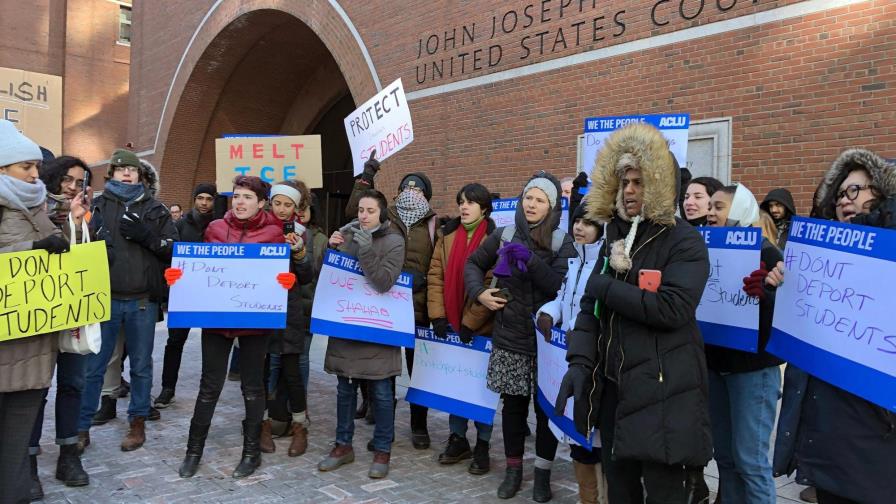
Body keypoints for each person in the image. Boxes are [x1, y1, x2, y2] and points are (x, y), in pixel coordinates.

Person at [556, 123, 712, 503]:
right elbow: (590, 309)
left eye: (639, 182)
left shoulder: (685, 241)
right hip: (615, 392)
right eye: (624, 182)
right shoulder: (614, 236)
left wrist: (606, 286)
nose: (629, 191)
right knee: (620, 492)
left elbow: (673, 308)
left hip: (664, 394)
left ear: (660, 184)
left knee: (663, 495)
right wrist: (579, 362)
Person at [769, 149, 896, 504]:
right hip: (826, 434)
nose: (844, 200)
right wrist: (778, 291)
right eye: (839, 194)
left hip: (877, 440)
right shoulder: (820, 263)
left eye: (856, 190)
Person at [466, 172, 576, 501]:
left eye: (540, 200)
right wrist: (480, 293)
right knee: (513, 408)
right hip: (510, 337)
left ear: (551, 206)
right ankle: (513, 470)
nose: (532, 204)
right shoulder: (503, 235)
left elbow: (560, 287)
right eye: (528, 197)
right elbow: (473, 264)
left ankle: (542, 474)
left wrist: (531, 260)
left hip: (546, 343)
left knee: (545, 412)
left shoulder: (561, 241)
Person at [177, 175, 289, 479]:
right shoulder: (214, 228)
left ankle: (251, 453)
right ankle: (193, 451)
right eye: (237, 196)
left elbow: (279, 276)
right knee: (209, 385)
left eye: (248, 197)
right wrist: (179, 278)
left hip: (254, 322)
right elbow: (200, 271)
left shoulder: (273, 233)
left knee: (252, 387)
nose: (240, 202)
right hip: (217, 320)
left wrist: (284, 281)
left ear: (261, 203)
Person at [0, 120, 84, 503]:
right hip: (6, 343)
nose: (36, 174)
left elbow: (58, 257)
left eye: (36, 166)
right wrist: (31, 250)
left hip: (34, 345)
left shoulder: (38, 205)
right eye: (26, 167)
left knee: (16, 444)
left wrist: (72, 234)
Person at [78, 148, 178, 453]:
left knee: (141, 365)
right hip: (105, 299)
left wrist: (147, 236)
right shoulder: (96, 206)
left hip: (142, 301)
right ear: (111, 174)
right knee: (94, 367)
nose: (126, 173)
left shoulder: (156, 210)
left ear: (140, 175)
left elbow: (174, 250)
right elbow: (77, 244)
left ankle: (137, 421)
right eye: (120, 169)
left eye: (131, 169)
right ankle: (81, 428)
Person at [348, 154, 437, 449]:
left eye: (418, 189)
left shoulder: (434, 224)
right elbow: (356, 210)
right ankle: (381, 417)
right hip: (385, 303)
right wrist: (367, 176)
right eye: (407, 188)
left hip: (418, 308)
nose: (412, 193)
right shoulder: (386, 218)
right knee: (382, 367)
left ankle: (418, 424)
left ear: (426, 195)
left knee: (418, 370)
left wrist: (425, 281)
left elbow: (438, 263)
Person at [318, 189, 406, 479]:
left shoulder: (394, 241)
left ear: (382, 213)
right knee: (345, 390)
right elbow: (327, 279)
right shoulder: (348, 235)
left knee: (381, 392)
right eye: (360, 210)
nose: (364, 216)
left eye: (370, 211)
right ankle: (343, 445)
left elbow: (384, 282)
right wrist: (331, 250)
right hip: (346, 325)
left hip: (377, 328)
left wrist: (366, 249)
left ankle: (382, 449)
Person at [705, 183, 783, 503]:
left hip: (753, 372)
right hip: (716, 367)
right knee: (724, 458)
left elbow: (789, 314)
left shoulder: (767, 253)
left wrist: (769, 294)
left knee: (751, 462)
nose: (710, 213)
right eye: (709, 206)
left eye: (718, 207)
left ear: (739, 210)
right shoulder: (704, 249)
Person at [25, 155, 93, 493]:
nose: (72, 187)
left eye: (79, 182)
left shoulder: (86, 214)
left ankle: (69, 454)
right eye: (67, 179)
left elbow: (90, 256)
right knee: (35, 388)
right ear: (52, 177)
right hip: (36, 314)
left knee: (73, 383)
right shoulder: (30, 209)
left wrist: (79, 224)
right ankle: (27, 461)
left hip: (72, 311)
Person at [536, 202, 608, 504]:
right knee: (577, 437)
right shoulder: (575, 260)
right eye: (577, 221)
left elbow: (596, 311)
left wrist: (576, 329)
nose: (579, 227)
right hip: (568, 358)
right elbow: (563, 297)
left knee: (596, 439)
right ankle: (587, 499)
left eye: (588, 223)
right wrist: (548, 313)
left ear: (602, 229)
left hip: (594, 361)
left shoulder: (605, 264)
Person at [427, 183, 496, 474]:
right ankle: (458, 439)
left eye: (470, 202)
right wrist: (438, 316)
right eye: (461, 202)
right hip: (451, 323)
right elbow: (436, 277)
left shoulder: (495, 238)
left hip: (482, 328)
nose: (464, 207)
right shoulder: (447, 236)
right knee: (455, 384)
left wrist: (471, 322)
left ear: (484, 208)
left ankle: (483, 445)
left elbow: (493, 283)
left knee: (480, 388)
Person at [259, 180, 313, 457]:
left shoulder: (300, 234)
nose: (281, 209)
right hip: (262, 308)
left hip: (290, 311)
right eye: (277, 203)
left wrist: (299, 254)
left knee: (292, 371)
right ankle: (263, 423)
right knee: (263, 370)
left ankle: (300, 425)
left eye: (287, 205)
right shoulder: (260, 229)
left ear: (296, 207)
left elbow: (306, 276)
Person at [154, 182, 217, 409]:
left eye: (209, 199)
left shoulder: (220, 226)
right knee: (175, 342)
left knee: (213, 345)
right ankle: (167, 388)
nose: (204, 203)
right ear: (194, 199)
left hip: (212, 294)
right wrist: (169, 273)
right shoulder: (180, 225)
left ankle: (209, 391)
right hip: (184, 293)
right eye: (200, 198)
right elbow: (168, 254)